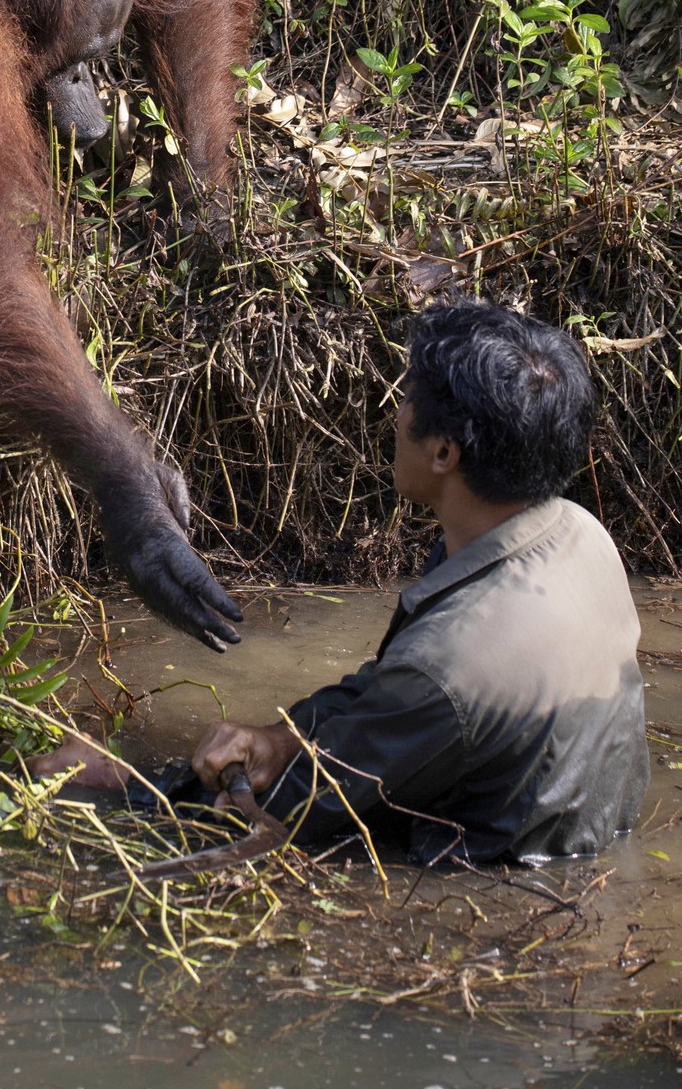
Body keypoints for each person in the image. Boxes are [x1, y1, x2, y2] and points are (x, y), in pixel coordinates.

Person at [35, 300, 650, 867]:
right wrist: (282, 737)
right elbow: (387, 699)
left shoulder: (444, 670)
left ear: (443, 453)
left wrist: (121, 783)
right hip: (586, 842)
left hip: (483, 885)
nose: (397, 411)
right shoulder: (579, 533)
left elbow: (287, 817)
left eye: (408, 398)